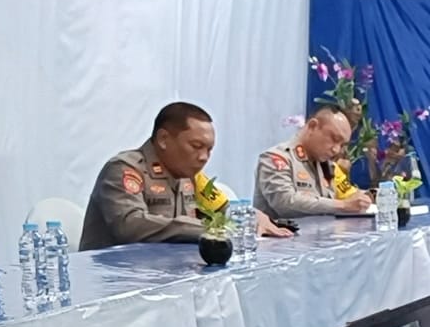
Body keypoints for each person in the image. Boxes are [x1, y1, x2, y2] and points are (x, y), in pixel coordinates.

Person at [80, 102, 290, 250]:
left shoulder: (190, 176)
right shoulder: (125, 169)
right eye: (196, 146)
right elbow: (130, 225)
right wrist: (207, 229)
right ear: (163, 139)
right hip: (116, 283)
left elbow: (221, 211)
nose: (204, 157)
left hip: (166, 276)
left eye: (209, 150)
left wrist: (251, 217)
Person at [254, 105, 373, 219]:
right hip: (282, 232)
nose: (336, 150)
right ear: (312, 126)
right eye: (334, 139)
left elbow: (345, 195)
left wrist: (361, 200)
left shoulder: (327, 166)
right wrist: (342, 205)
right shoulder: (276, 158)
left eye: (342, 145)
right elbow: (284, 202)